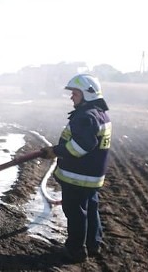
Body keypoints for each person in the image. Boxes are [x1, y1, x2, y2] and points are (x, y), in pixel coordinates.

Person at [40, 74, 112, 263]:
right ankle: (93, 244)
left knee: (75, 212)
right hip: (92, 177)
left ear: (87, 94)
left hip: (78, 177)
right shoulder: (100, 114)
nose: (71, 97)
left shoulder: (85, 117)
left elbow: (81, 147)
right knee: (91, 208)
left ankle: (75, 251)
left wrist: (54, 151)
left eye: (75, 93)